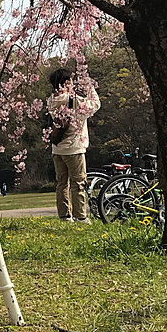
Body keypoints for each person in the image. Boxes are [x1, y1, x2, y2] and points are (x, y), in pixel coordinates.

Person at [47, 67, 101, 222]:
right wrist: (90, 88)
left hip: (57, 149)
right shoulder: (73, 100)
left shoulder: (51, 100)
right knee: (78, 183)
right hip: (74, 148)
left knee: (61, 184)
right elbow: (95, 105)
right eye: (70, 81)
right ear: (66, 82)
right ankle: (80, 216)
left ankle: (64, 216)